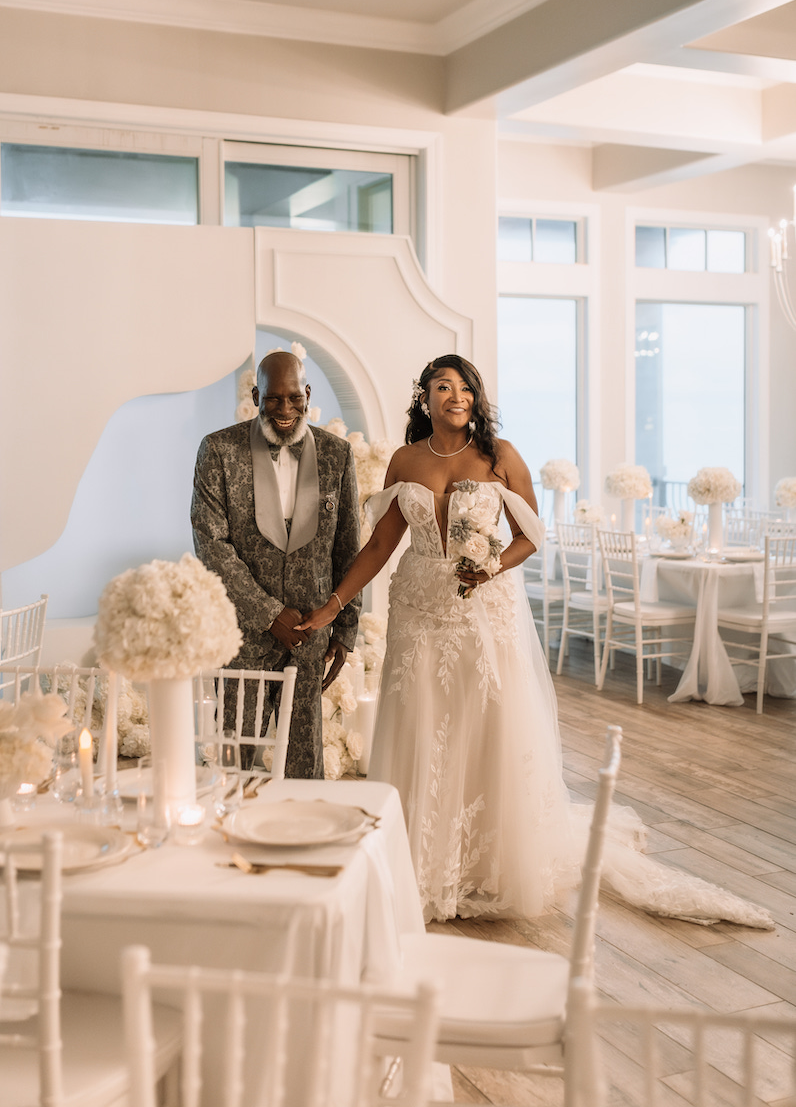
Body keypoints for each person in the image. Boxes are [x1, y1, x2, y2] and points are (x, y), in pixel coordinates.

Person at [296, 354, 772, 929]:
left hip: (483, 611)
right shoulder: (406, 459)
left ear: (476, 398)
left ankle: (487, 864)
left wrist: (491, 567)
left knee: (488, 722)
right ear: (424, 398)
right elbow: (378, 547)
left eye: (465, 388)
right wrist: (332, 605)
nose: (456, 396)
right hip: (418, 610)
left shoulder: (500, 458)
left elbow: (531, 535)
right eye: (442, 387)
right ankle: (419, 860)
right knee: (421, 721)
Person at [191, 350, 361, 778]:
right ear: (256, 396)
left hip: (311, 632)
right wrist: (268, 615)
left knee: (304, 764)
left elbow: (347, 547)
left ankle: (304, 842)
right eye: (273, 398)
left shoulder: (337, 455)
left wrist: (345, 628)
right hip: (242, 634)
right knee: (235, 760)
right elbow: (211, 544)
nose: (284, 409)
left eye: (293, 397)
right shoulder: (218, 450)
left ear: (307, 394)